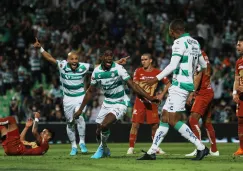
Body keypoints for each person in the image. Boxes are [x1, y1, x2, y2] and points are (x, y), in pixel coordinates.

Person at [33, 38, 129, 156]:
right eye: (72, 59)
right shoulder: (62, 65)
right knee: (70, 122)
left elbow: (98, 66)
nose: (74, 61)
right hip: (67, 99)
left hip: (80, 97)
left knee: (80, 117)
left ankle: (82, 143)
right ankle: (73, 146)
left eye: (76, 59)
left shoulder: (83, 67)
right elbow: (50, 58)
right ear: (67, 60)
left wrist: (117, 62)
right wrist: (40, 49)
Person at [137, 19, 209, 161]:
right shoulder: (195, 42)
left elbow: (172, 65)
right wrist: (192, 71)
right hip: (183, 84)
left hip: (180, 85)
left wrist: (155, 79)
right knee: (164, 116)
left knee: (172, 120)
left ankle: (201, 147)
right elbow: (203, 65)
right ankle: (152, 151)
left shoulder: (178, 42)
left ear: (172, 31)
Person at [73, 48, 160, 159]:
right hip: (107, 102)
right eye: (107, 55)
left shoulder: (119, 69)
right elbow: (90, 91)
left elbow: (133, 85)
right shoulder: (97, 72)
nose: (109, 57)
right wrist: (80, 109)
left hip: (120, 102)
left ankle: (101, 149)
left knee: (104, 125)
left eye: (111, 56)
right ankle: (105, 149)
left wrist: (150, 98)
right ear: (102, 58)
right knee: (98, 130)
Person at [127, 53, 171, 155]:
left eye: (145, 59)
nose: (143, 61)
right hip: (140, 101)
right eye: (142, 60)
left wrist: (162, 95)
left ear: (150, 60)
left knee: (155, 126)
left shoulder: (158, 72)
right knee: (135, 124)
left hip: (152, 103)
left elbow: (169, 83)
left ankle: (156, 147)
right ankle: (131, 148)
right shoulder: (138, 71)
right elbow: (135, 86)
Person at [185, 36, 219, 157]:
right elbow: (209, 71)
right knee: (207, 122)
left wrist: (191, 93)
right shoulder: (205, 56)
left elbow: (198, 77)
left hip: (203, 93)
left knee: (192, 119)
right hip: (208, 91)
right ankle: (214, 150)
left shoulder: (198, 56)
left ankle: (199, 148)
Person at [232, 36, 243, 156]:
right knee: (241, 121)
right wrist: (234, 92)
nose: (237, 47)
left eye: (239, 44)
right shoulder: (238, 62)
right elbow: (236, 78)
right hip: (241, 96)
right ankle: (241, 148)